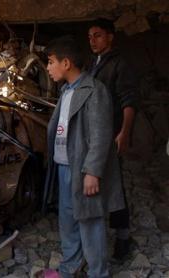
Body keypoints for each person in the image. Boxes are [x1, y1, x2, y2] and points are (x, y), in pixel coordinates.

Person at [43, 36, 125, 277]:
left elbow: (101, 135)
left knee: (90, 221)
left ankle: (98, 273)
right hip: (64, 166)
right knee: (67, 220)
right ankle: (71, 266)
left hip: (82, 169)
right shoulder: (66, 91)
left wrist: (92, 171)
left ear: (66, 63)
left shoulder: (94, 90)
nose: (48, 68)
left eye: (50, 62)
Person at [87, 18, 138, 259]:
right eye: (90, 36)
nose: (93, 40)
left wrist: (124, 133)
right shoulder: (93, 64)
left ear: (110, 37)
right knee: (97, 181)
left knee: (114, 187)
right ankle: (97, 235)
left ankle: (123, 238)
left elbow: (129, 102)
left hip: (112, 133)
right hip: (95, 134)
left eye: (98, 35)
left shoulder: (120, 64)